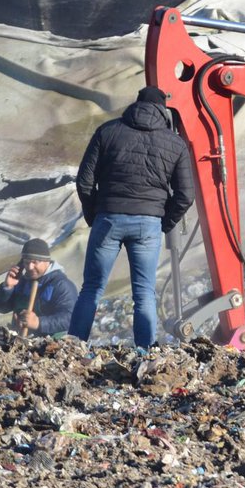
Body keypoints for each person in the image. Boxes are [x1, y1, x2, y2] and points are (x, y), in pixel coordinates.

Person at [69, 85, 194, 348]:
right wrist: (163, 221)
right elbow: (185, 194)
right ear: (163, 111)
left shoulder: (108, 131)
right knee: (144, 294)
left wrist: (95, 214)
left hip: (109, 218)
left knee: (91, 288)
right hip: (148, 224)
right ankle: (144, 355)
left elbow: (84, 181)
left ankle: (72, 348)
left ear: (135, 105)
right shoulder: (175, 143)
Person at [0, 238, 78, 337]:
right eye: (26, 262)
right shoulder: (21, 281)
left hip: (48, 345)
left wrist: (38, 323)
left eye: (35, 262)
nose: (30, 267)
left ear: (47, 262)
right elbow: (1, 308)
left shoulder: (61, 285)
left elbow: (71, 318)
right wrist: (7, 288)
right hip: (19, 341)